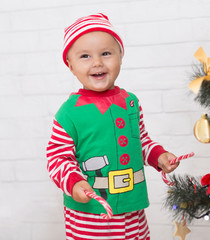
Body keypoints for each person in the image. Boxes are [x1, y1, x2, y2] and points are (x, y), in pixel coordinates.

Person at [46, 13, 179, 240]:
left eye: (106, 53)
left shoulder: (131, 102)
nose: (97, 62)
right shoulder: (69, 112)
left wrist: (159, 156)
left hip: (132, 208)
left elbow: (141, 141)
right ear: (70, 66)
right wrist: (75, 183)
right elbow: (57, 158)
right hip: (92, 214)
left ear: (120, 56)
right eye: (85, 56)